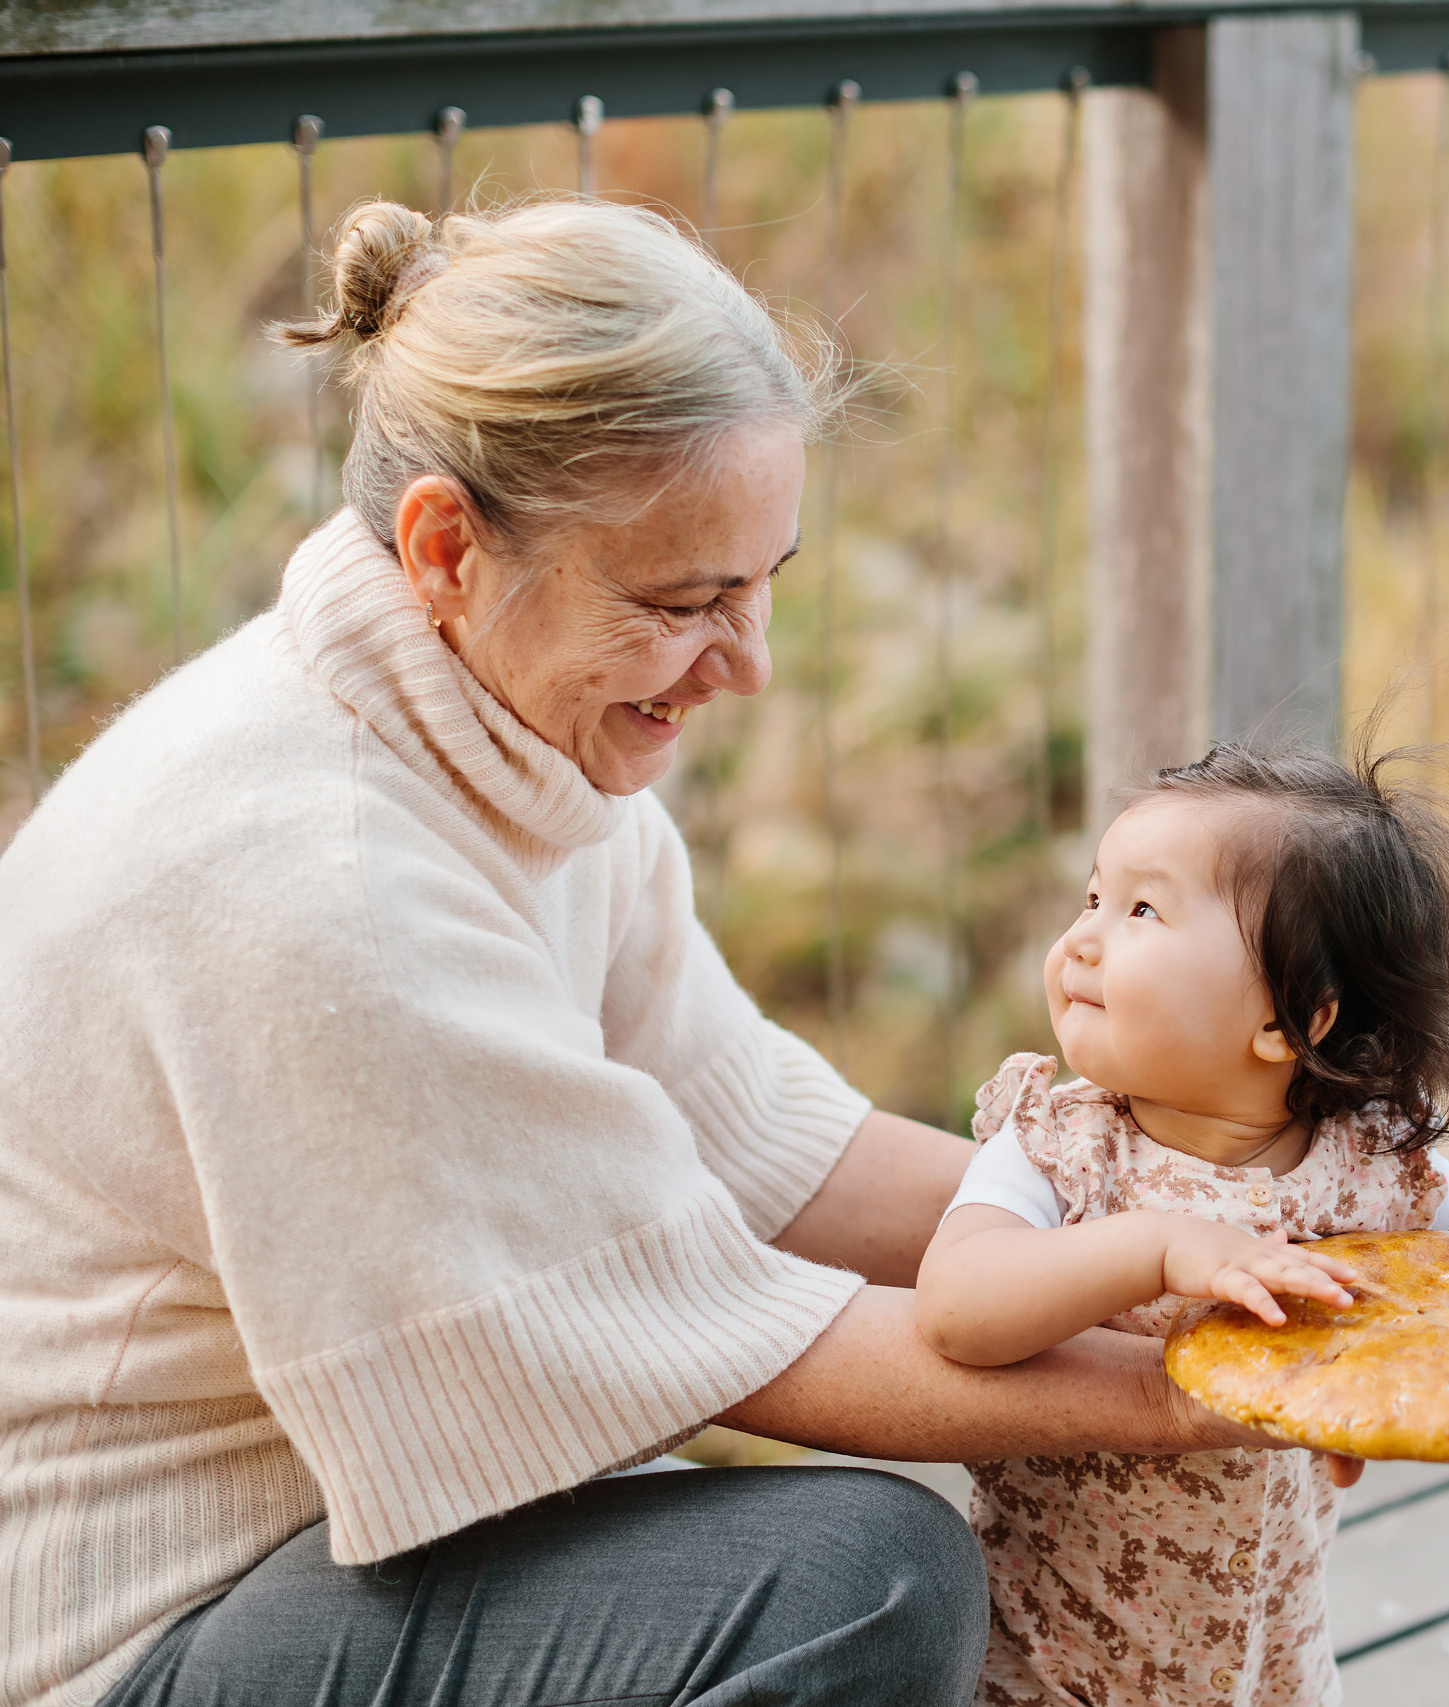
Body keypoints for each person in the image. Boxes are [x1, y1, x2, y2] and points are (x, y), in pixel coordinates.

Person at [0, 197, 1279, 1707]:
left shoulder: (507, 729)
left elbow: (773, 1153)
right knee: (864, 1581)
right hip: (135, 1637)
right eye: (686, 602)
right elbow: (718, 1335)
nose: (748, 662)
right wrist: (1217, 1388)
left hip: (329, 1546)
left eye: (765, 580)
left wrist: (1250, 1232)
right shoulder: (327, 884)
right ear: (447, 547)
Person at [915, 744, 1449, 1707]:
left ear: (1290, 1023)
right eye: (1092, 898)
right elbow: (958, 1306)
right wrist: (1159, 1247)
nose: (1081, 940)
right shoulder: (1059, 1144)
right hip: (1058, 1654)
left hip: (1271, 1647)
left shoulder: (1358, 1163)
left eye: (1140, 912)